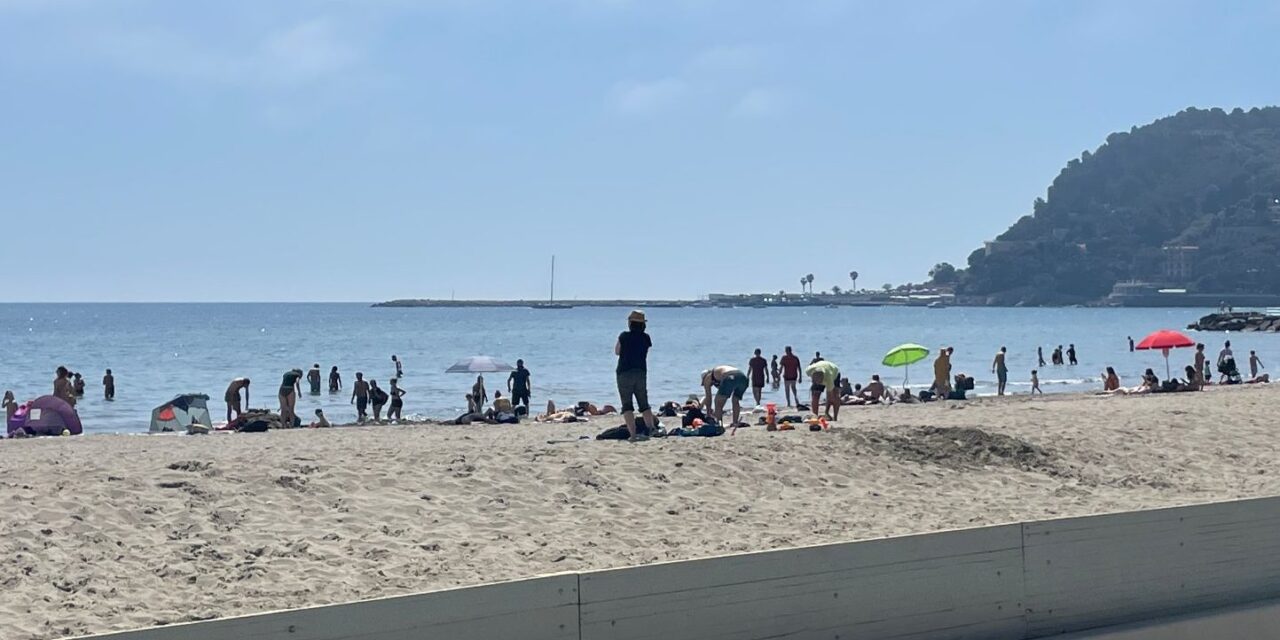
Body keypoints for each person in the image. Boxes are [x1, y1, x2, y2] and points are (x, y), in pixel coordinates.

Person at [614, 309, 656, 442]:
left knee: (627, 405)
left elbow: (617, 351)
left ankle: (632, 434)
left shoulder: (624, 336)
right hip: (640, 372)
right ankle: (651, 430)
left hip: (624, 372)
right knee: (644, 403)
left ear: (630, 323)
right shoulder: (646, 338)